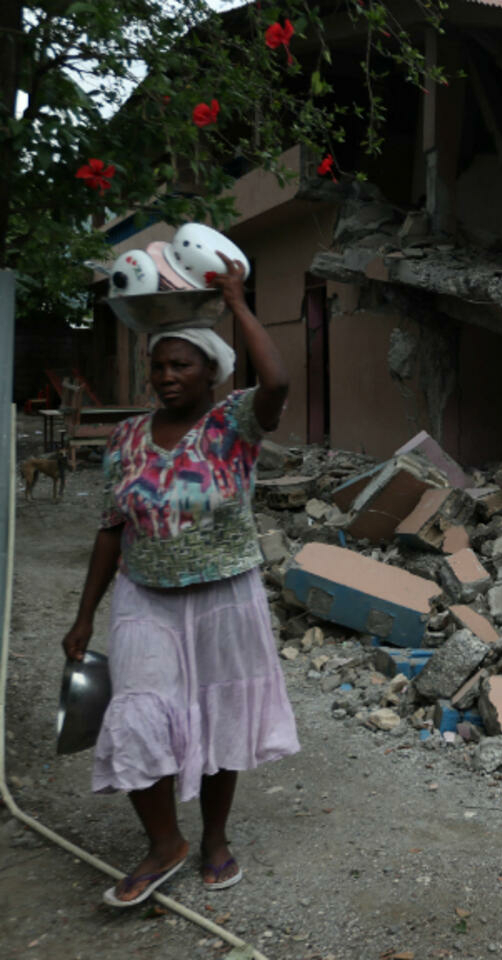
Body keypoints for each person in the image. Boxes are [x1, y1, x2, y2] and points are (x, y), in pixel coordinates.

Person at [61, 252, 300, 908]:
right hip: (145, 597)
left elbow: (277, 381)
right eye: (159, 365)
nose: (166, 376)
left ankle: (214, 838)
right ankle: (164, 843)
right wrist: (84, 616)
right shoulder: (126, 440)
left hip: (224, 595)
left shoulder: (234, 425)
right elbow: (111, 528)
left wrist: (238, 303)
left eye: (181, 365)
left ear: (211, 372)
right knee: (135, 715)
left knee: (221, 718)